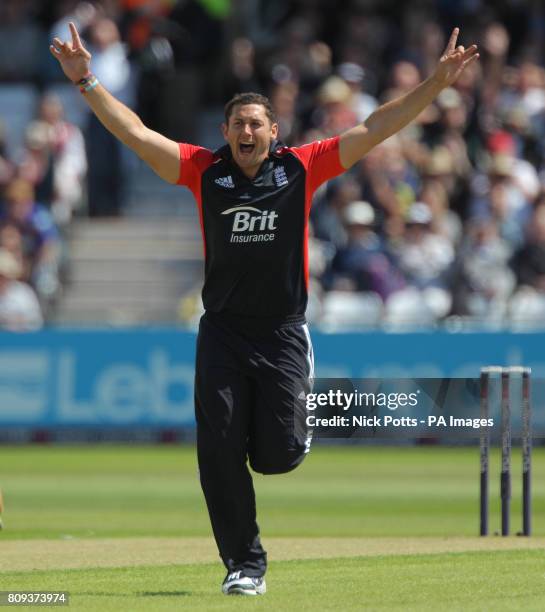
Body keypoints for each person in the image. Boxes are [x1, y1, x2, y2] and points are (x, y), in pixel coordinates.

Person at [50, 23, 478, 596]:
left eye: (256, 123)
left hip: (282, 333)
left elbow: (377, 126)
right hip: (223, 333)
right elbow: (134, 132)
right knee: (218, 448)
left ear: (273, 131)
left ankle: (295, 431)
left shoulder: (300, 168)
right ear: (225, 132)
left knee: (275, 458)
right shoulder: (205, 171)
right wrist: (87, 81)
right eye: (237, 124)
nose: (246, 130)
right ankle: (244, 565)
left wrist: (434, 83)